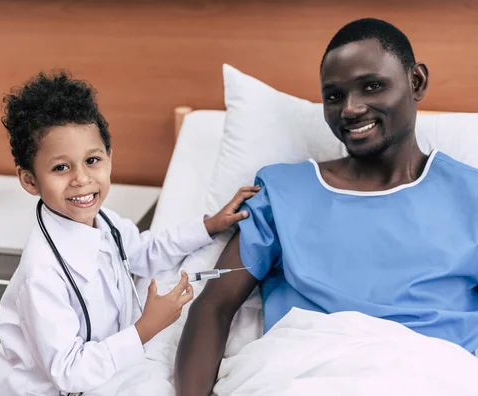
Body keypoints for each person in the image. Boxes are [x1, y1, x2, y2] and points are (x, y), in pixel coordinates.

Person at [175, 17, 478, 396]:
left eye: (372, 86)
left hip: (431, 375)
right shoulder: (282, 191)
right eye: (334, 96)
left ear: (416, 82)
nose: (350, 109)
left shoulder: (471, 195)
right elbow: (214, 307)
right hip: (302, 374)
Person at [0, 71, 259, 395]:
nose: (81, 179)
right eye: (61, 167)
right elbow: (70, 372)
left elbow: (144, 251)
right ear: (30, 180)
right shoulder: (41, 276)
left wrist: (209, 226)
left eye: (92, 160)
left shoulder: (105, 221)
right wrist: (146, 327)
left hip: (108, 374)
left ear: (109, 158)